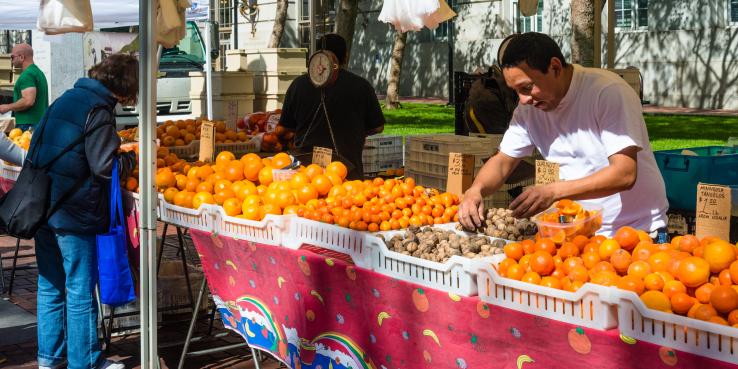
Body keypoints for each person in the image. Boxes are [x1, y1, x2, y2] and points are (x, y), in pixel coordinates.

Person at [458, 32, 668, 238]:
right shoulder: (527, 110)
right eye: (516, 91)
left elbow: (624, 173)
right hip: (577, 230)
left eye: (527, 87)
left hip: (636, 233)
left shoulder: (607, 92)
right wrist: (476, 190)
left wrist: (553, 191)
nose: (523, 100)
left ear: (555, 67)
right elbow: (503, 161)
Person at [29, 54, 138, 369]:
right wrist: (131, 160)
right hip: (74, 211)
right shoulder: (99, 110)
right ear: (124, 87)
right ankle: (85, 361)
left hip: (43, 206)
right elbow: (105, 167)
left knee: (50, 283)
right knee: (79, 287)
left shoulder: (67, 98)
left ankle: (49, 358)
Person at [279, 33, 385, 180]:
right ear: (346, 56)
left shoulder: (298, 85)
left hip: (306, 175)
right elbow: (378, 127)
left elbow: (284, 128)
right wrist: (357, 132)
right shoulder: (361, 86)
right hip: (347, 171)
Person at [0, 43, 49, 131]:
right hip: (38, 123)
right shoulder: (38, 73)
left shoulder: (27, 75)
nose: (11, 60)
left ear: (21, 57)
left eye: (12, 57)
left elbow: (28, 101)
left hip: (27, 125)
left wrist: (7, 107)